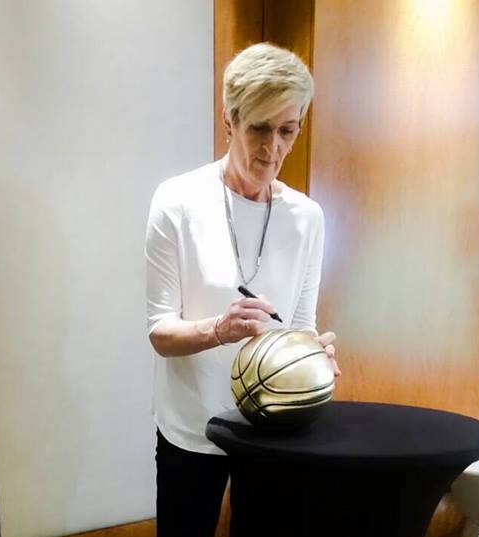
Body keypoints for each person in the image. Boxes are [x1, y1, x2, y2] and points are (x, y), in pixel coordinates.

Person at [145, 42, 341, 537]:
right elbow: (160, 333)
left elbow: (300, 327)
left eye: (287, 130)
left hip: (274, 426)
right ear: (229, 121)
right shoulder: (177, 202)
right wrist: (220, 328)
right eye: (259, 127)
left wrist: (313, 356)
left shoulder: (308, 218)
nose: (273, 148)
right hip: (192, 426)